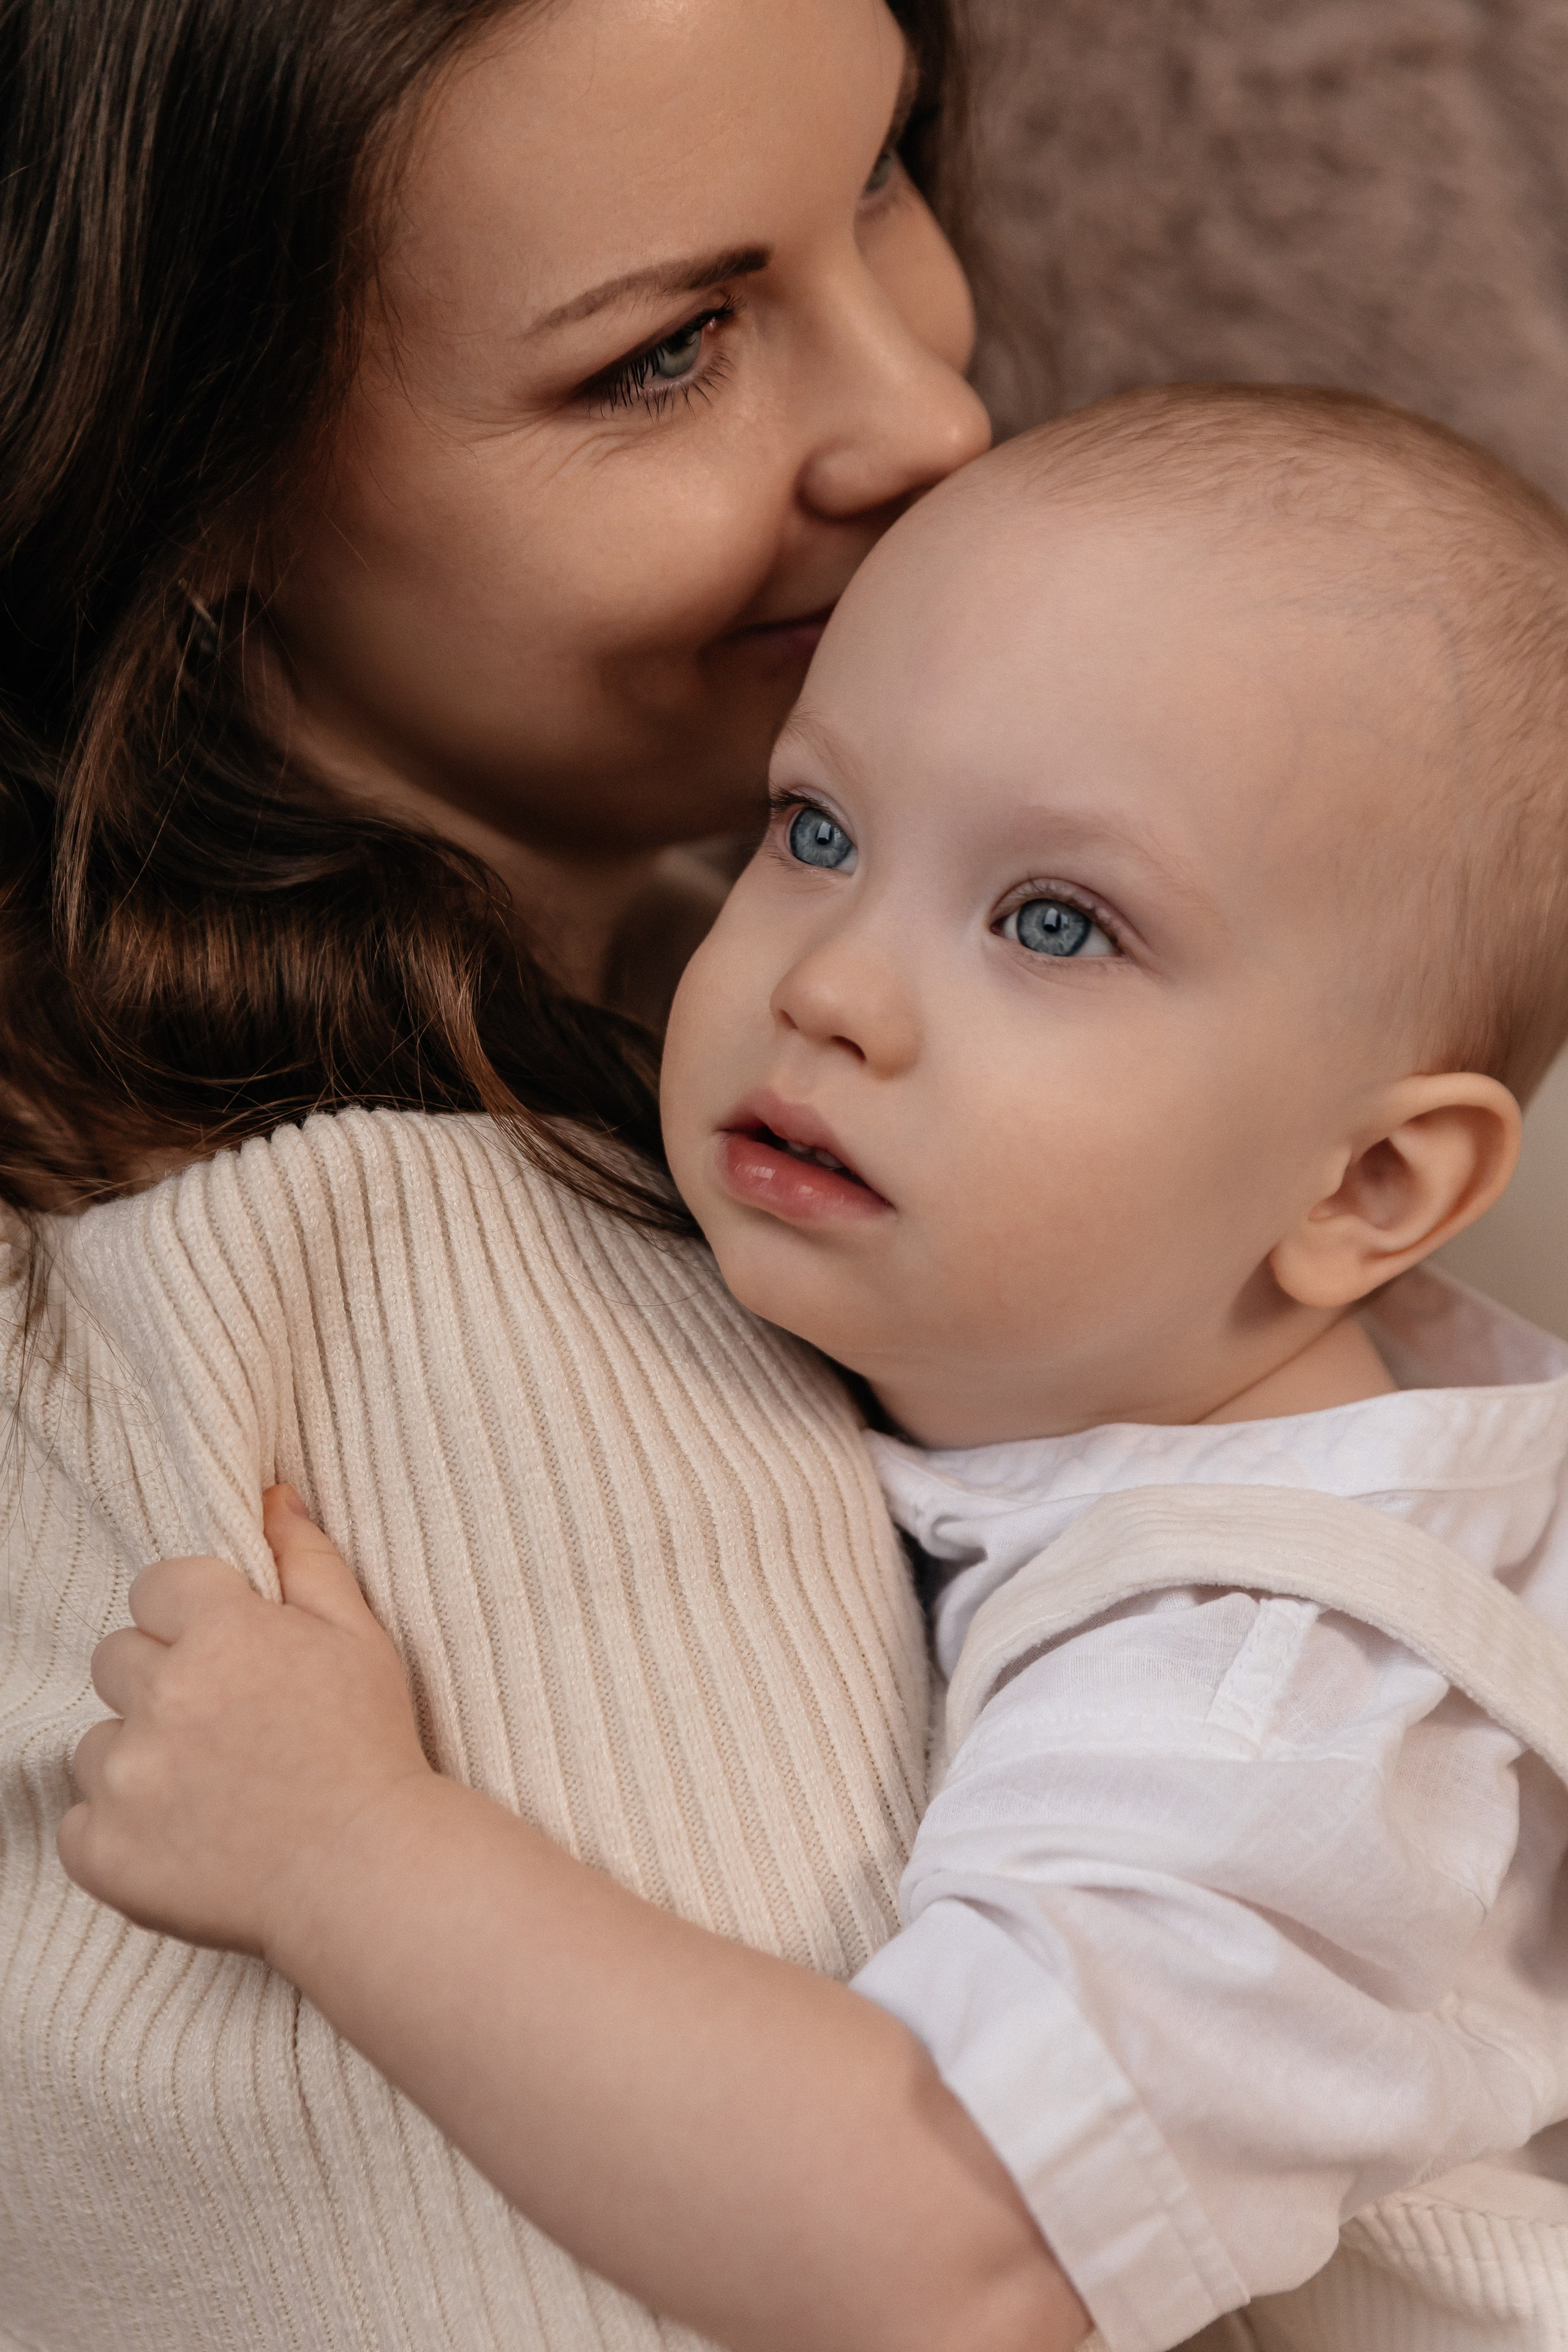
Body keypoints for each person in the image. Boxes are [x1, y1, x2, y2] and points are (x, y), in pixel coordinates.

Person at [62, 385, 1568, 2352]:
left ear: (1365, 1184)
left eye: (1055, 921)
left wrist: (344, 1852)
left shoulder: (1266, 1683)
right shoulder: (1065, 1369)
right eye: (817, 826)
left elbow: (942, 2252)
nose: (829, 983)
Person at [0, 2, 995, 2347]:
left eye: (881, 173)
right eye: (666, 354)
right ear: (188, 471)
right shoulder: (436, 1303)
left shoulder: (656, 994)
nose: (933, 417)